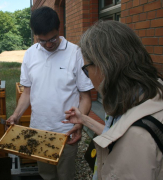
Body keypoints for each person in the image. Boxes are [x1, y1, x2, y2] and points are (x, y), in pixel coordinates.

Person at [64, 20, 163, 179]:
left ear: (104, 66)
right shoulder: (148, 91)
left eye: (86, 69)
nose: (87, 76)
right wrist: (84, 119)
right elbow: (118, 132)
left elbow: (129, 138)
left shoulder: (137, 137)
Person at [6, 6, 93, 180]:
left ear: (59, 29)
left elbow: (85, 97)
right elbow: (27, 92)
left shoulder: (75, 53)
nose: (48, 44)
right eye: (42, 40)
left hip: (66, 132)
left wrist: (79, 123)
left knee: (65, 175)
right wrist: (16, 115)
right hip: (39, 130)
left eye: (52, 38)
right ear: (35, 36)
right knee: (46, 175)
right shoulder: (30, 54)